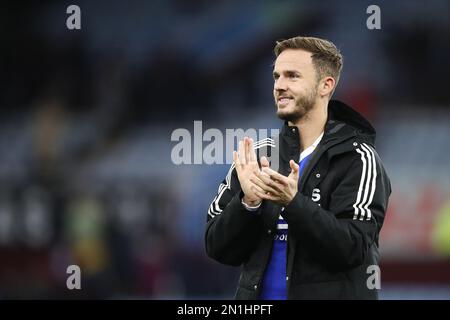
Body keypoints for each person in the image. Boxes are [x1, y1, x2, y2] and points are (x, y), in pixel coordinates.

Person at [205, 36, 391, 299]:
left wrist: (293, 204)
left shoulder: (357, 158)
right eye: (276, 76)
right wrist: (247, 203)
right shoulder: (258, 156)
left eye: (292, 76)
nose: (279, 85)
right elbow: (216, 247)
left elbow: (353, 248)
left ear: (326, 85)